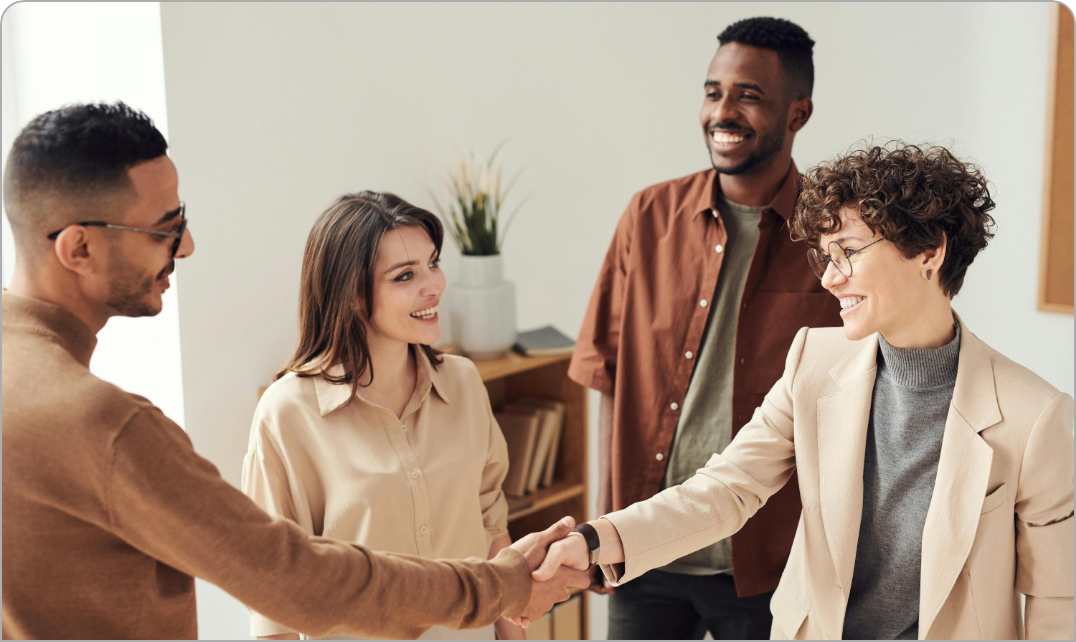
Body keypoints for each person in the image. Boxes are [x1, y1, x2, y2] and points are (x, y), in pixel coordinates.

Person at [1, 102, 588, 640]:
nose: (187, 247)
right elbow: (289, 580)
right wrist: (502, 585)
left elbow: (487, 513)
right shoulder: (105, 423)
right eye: (165, 228)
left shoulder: (460, 382)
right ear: (76, 249)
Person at [535, 142, 1075, 640]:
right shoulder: (812, 362)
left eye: (847, 251)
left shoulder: (1036, 416)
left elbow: (1058, 601)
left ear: (928, 251)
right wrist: (593, 540)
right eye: (824, 256)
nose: (829, 278)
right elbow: (726, 489)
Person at [568, 16, 841, 640]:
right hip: (644, 550)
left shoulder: (831, 238)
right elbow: (608, 377)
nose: (724, 111)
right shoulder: (647, 216)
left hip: (769, 562)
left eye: (749, 95)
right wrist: (609, 525)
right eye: (714, 91)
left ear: (797, 114)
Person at [242, 191, 525, 640]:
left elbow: (493, 530)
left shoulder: (464, 383)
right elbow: (273, 593)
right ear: (352, 295)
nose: (433, 285)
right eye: (405, 275)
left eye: (433, 263)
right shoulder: (287, 413)